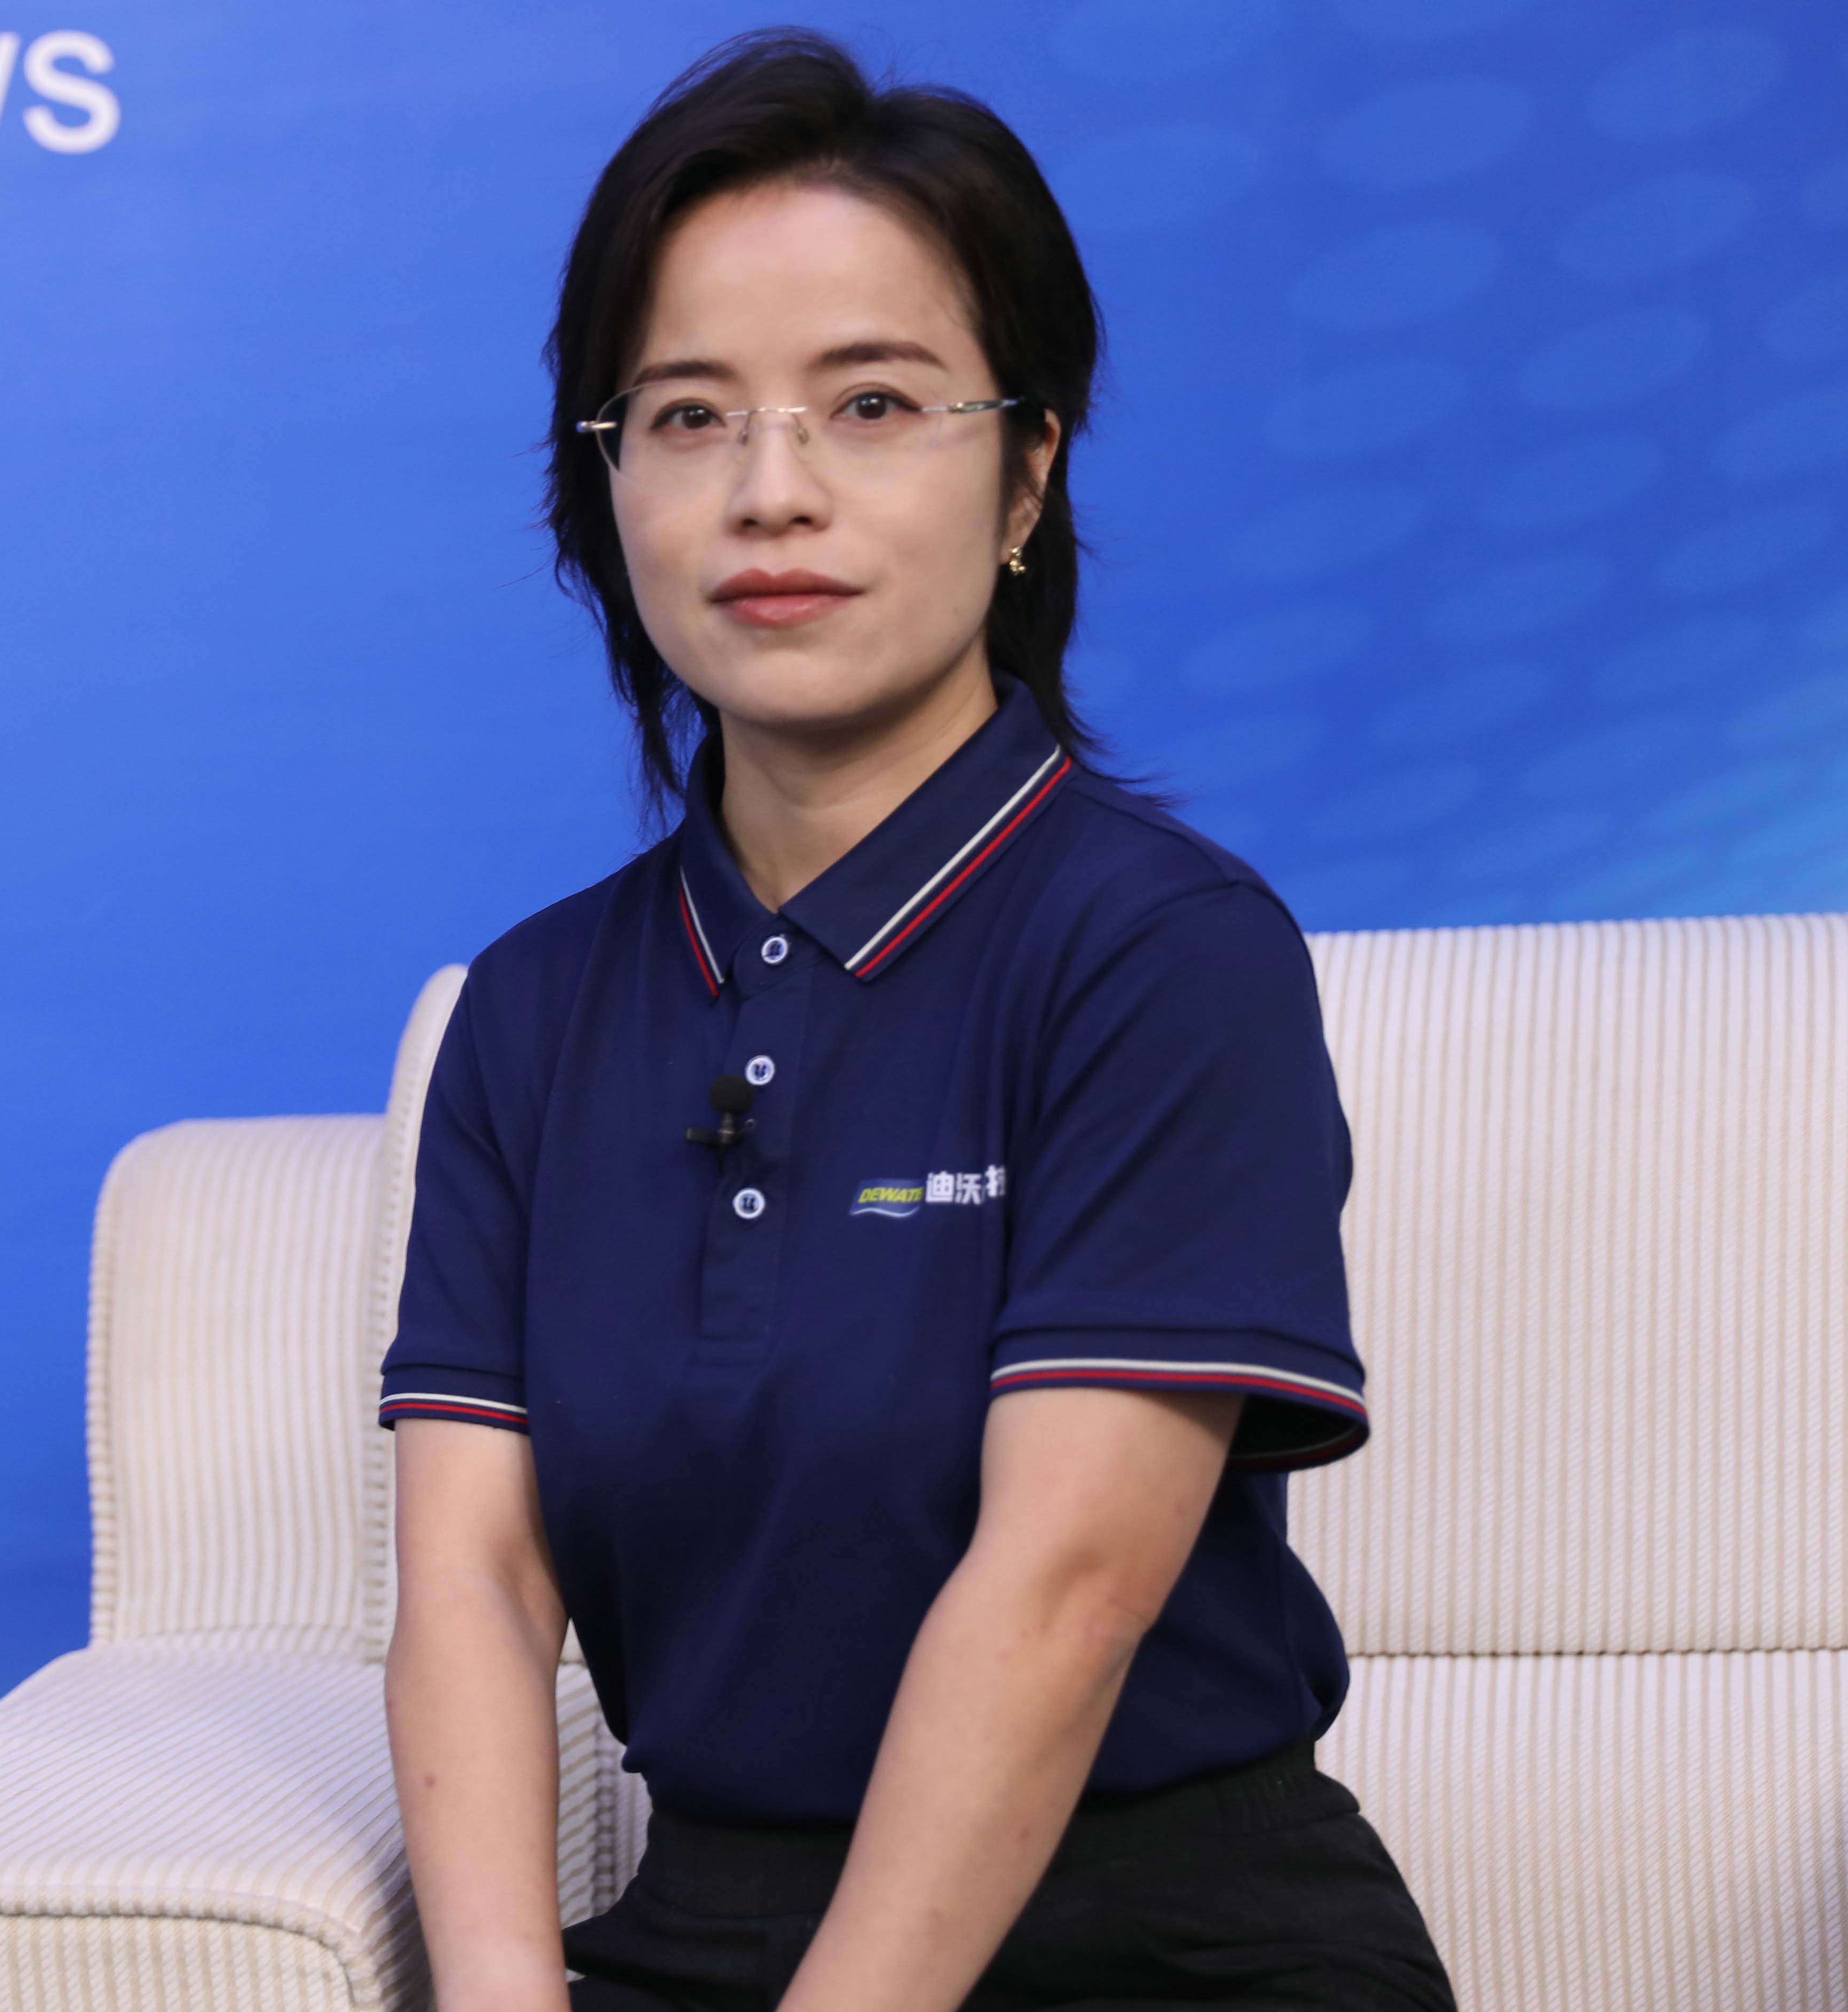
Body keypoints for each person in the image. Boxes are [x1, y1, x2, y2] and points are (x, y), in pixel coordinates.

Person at [376, 32, 1456, 2012]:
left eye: (871, 404)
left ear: (1027, 472)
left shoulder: (1162, 952)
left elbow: (1066, 1590)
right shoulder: (529, 1013)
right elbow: (477, 1579)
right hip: (707, 1925)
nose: (771, 490)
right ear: (608, 484)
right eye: (688, 416)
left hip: (1173, 1940)